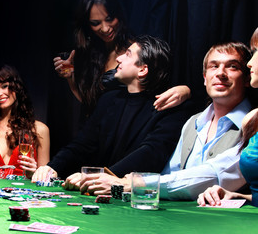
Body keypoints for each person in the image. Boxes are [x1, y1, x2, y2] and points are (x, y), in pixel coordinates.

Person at [77, 41, 252, 200]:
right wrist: (117, 184)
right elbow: (170, 172)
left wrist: (132, 183)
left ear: (247, 78)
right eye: (214, 66)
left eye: (232, 67)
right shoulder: (193, 122)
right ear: (204, 77)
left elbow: (212, 175)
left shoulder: (253, 126)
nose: (220, 73)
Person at [32, 35, 194, 182]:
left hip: (136, 198)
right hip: (98, 193)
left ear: (143, 70)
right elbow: (83, 144)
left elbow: (150, 153)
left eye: (128, 54)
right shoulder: (109, 99)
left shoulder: (170, 106)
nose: (119, 58)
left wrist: (102, 176)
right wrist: (52, 166)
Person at [53, 0, 191, 118]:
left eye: (110, 19)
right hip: (97, 131)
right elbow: (90, 105)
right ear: (87, 24)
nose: (105, 28)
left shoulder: (136, 50)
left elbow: (159, 92)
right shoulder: (88, 54)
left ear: (118, 14)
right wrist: (70, 78)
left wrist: (185, 91)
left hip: (126, 130)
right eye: (96, 23)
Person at [198, 28, 258, 207]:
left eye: (256, 52)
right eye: (213, 66)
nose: (250, 63)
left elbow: (215, 172)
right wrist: (235, 195)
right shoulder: (253, 119)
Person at [0, 65, 50, 179]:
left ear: (16, 87)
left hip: (26, 195)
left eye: (4, 86)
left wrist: (33, 174)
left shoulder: (40, 130)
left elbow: (45, 180)